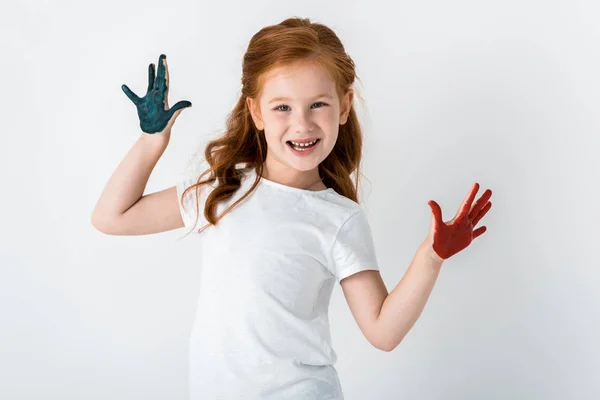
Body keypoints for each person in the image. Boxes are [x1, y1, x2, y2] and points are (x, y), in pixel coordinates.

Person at [91, 17, 493, 400]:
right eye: (282, 107)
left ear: (345, 106)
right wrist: (150, 143)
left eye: (318, 104)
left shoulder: (340, 219)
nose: (302, 124)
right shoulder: (223, 190)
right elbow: (112, 217)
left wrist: (431, 257)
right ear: (255, 112)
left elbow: (382, 332)